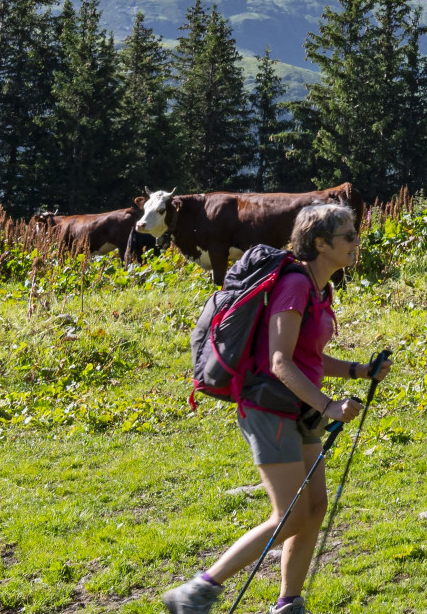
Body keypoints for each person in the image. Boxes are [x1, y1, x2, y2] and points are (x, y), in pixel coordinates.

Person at [163, 204, 391, 614]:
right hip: (269, 408)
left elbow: (309, 357)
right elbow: (280, 361)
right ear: (321, 243)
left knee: (314, 508)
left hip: (299, 407)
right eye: (349, 236)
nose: (357, 243)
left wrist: (360, 371)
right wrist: (329, 406)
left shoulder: (320, 287)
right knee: (289, 516)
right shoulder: (295, 286)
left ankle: (289, 604)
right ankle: (196, 592)